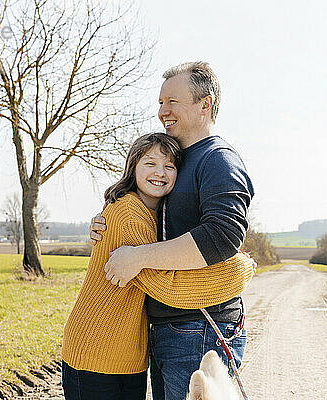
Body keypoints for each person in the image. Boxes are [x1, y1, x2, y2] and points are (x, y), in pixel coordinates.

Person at [91, 62, 255, 400]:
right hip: (170, 327)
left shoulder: (217, 159)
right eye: (160, 102)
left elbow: (222, 236)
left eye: (172, 102)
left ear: (205, 105)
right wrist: (107, 219)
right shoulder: (180, 158)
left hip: (201, 327)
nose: (163, 111)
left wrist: (138, 257)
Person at [62, 133, 255, 400]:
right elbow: (167, 286)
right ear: (133, 167)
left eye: (170, 166)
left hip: (127, 353)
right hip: (97, 349)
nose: (160, 173)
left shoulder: (157, 212)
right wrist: (240, 269)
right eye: (150, 163)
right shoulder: (129, 213)